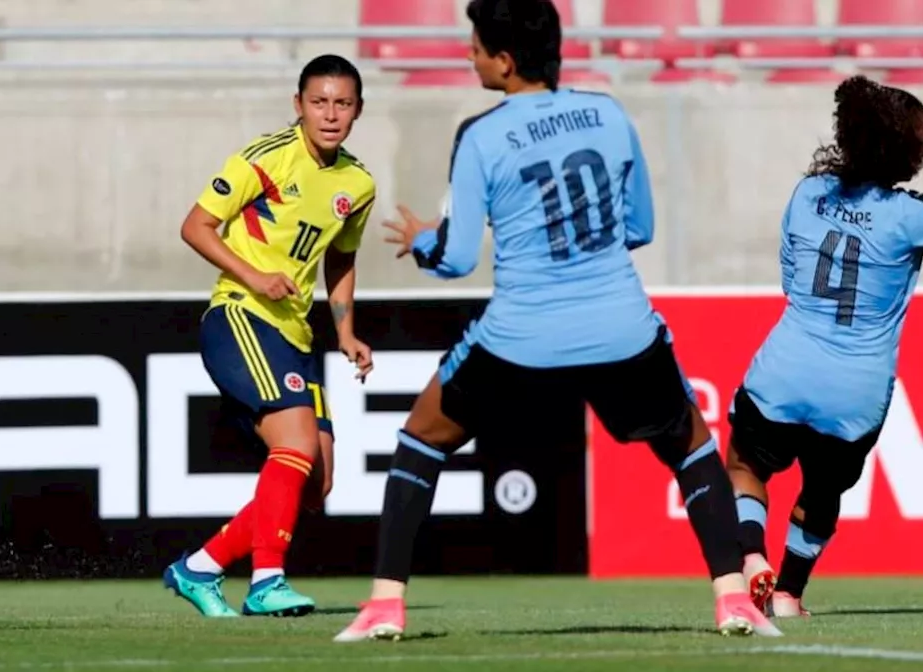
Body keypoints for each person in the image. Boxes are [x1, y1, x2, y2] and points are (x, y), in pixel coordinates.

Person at [333, 0, 781, 642]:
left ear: (506, 62)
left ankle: (383, 606)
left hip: (522, 336)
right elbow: (641, 228)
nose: (469, 55)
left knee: (420, 439)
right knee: (692, 448)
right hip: (620, 326)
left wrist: (428, 242)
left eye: (476, 46)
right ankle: (733, 598)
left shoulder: (482, 134)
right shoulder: (609, 113)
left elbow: (458, 259)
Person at [726, 75, 923, 619]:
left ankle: (751, 554)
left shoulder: (807, 193)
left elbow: (792, 279)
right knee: (821, 493)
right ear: (907, 153)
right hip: (856, 389)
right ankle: (790, 595)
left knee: (746, 465)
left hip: (787, 365)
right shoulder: (911, 214)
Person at [163, 54, 377, 618]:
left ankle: (200, 568)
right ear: (298, 105)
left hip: (295, 334)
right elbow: (195, 225)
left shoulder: (357, 183)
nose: (330, 114)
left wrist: (347, 332)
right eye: (319, 102)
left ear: (358, 111)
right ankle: (266, 580)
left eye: (343, 103)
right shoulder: (268, 158)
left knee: (317, 483)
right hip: (240, 315)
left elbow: (341, 259)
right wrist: (254, 276)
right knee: (296, 445)